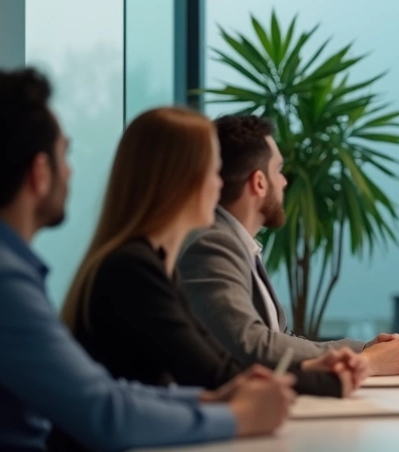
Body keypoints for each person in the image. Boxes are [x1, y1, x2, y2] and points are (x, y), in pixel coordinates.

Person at [0, 68, 293, 452]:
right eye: (66, 155)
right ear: (39, 173)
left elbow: (112, 392)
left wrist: (208, 400)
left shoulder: (9, 270)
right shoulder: (2, 280)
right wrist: (235, 414)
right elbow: (105, 411)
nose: (71, 171)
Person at [59, 107, 367, 407]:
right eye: (211, 170)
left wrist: (319, 370)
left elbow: (219, 368)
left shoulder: (145, 263)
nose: (220, 184)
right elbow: (217, 377)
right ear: (180, 181)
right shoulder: (134, 269)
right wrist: (336, 379)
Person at [179, 114, 399, 375]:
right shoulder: (213, 245)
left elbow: (281, 338)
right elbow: (252, 345)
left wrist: (362, 351)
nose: (284, 182)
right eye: (278, 171)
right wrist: (364, 363)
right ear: (259, 182)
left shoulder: (238, 244)